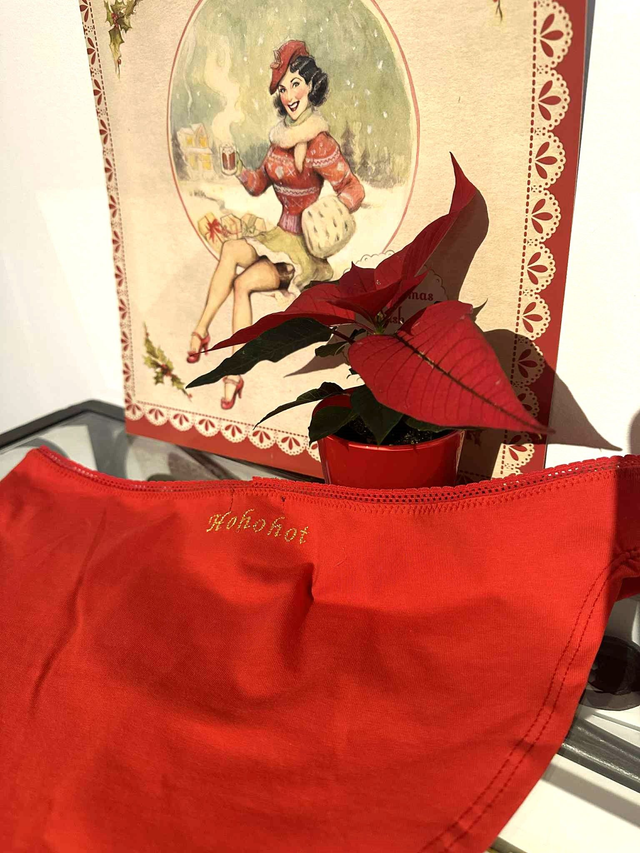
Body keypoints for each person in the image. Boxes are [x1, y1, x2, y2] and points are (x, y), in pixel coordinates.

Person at [187, 39, 364, 410]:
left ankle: (234, 373)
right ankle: (201, 329)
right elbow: (258, 185)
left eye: (295, 84)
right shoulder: (279, 140)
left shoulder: (318, 143)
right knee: (231, 248)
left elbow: (353, 189)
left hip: (302, 249)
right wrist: (237, 169)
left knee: (243, 284)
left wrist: (330, 215)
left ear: (311, 86)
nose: (289, 95)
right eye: (283, 88)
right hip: (277, 235)